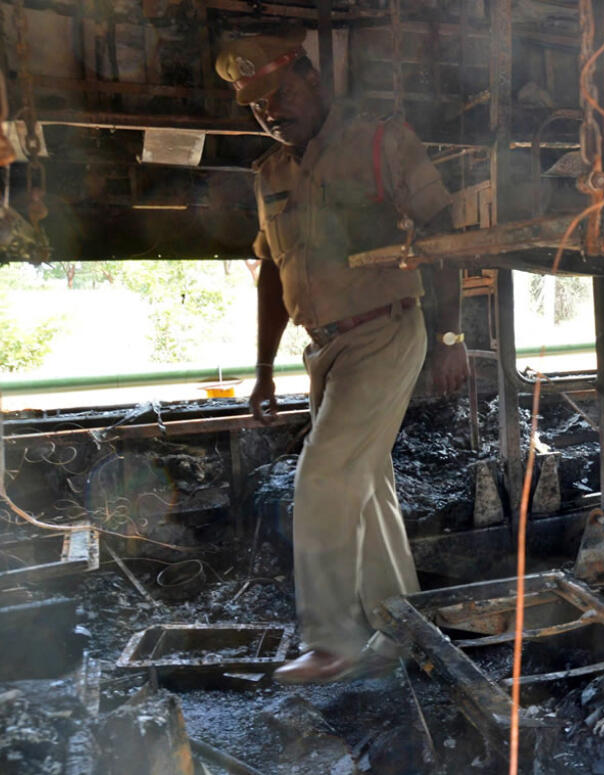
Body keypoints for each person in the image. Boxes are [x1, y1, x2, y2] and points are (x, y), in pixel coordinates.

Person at [216, 29, 468, 684]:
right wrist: (267, 368)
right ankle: (401, 620)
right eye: (255, 105)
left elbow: (442, 233)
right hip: (324, 348)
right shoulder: (267, 175)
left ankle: (332, 642)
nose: (269, 111)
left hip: (386, 331)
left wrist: (450, 337)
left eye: (277, 92)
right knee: (367, 485)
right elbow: (274, 277)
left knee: (323, 478)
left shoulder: (381, 144)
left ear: (310, 76)